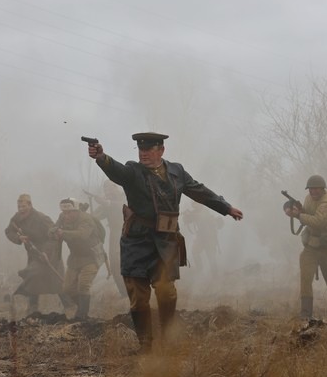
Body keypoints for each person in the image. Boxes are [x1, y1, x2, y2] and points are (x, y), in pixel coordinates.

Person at [86, 132, 243, 352]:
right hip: (137, 242)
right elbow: (117, 171)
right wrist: (101, 158)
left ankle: (167, 338)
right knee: (139, 299)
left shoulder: (176, 171)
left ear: (161, 150)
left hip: (165, 241)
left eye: (149, 150)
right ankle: (146, 345)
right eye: (141, 150)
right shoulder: (133, 170)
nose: (144, 154)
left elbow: (199, 191)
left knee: (166, 292)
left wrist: (225, 208)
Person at [283, 175, 327, 320]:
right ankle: (305, 314)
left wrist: (298, 216)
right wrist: (290, 209)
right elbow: (306, 215)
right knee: (305, 277)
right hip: (312, 245)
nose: (313, 192)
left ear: (323, 189)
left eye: (316, 189)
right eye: (310, 189)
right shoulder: (308, 198)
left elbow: (318, 222)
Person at [4, 193, 65, 314]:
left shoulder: (41, 218)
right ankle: (33, 308)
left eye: (23, 206)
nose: (21, 209)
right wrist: (19, 238)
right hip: (33, 252)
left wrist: (46, 252)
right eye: (19, 207)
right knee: (33, 279)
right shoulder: (17, 218)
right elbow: (9, 231)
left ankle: (70, 306)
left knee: (56, 280)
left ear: (30, 205)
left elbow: (54, 235)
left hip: (50, 252)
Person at [51, 198, 106, 320]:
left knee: (83, 285)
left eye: (69, 212)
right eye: (64, 212)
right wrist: (54, 232)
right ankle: (83, 309)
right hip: (75, 257)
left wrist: (62, 233)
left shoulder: (86, 219)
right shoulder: (62, 217)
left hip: (91, 256)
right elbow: (53, 229)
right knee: (67, 289)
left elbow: (82, 235)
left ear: (76, 211)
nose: (66, 215)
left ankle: (82, 315)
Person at [89, 180, 128, 297]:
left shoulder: (126, 197)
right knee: (115, 265)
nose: (108, 191)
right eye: (106, 189)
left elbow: (125, 207)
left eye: (110, 188)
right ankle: (124, 294)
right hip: (115, 234)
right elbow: (94, 217)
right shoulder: (106, 204)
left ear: (116, 187)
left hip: (131, 233)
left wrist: (108, 203)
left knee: (130, 264)